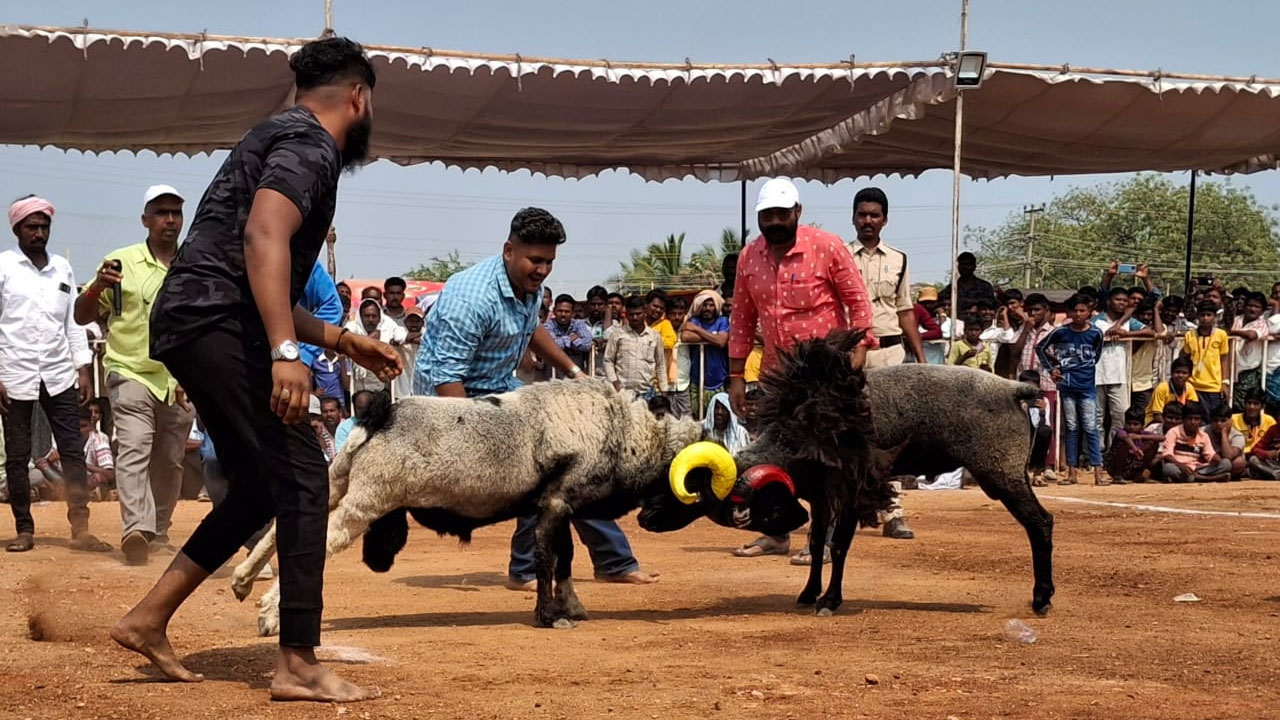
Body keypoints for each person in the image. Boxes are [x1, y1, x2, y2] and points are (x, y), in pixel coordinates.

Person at [112, 37, 401, 702]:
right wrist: (284, 352)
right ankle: (297, 662)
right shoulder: (311, 147)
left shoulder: (278, 133)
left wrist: (337, 338)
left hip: (200, 318)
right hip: (217, 323)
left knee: (259, 488)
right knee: (303, 474)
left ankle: (148, 617)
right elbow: (263, 237)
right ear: (359, 96)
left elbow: (250, 268)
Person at [413, 207, 657, 593]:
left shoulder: (530, 289)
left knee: (577, 456)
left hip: (497, 390)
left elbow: (533, 329)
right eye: (536, 260)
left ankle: (612, 562)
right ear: (509, 250)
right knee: (542, 468)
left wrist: (577, 375)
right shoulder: (470, 297)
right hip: (450, 404)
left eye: (549, 262)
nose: (543, 269)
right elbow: (446, 378)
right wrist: (473, 443)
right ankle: (527, 569)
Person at [726, 177, 882, 560]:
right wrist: (735, 376)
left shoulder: (826, 247)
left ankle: (827, 536)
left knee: (828, 456)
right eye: (767, 215)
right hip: (778, 375)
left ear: (797, 212)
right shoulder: (749, 257)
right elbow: (742, 318)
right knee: (774, 451)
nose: (775, 221)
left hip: (827, 371)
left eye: (782, 214)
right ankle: (776, 530)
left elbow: (857, 300)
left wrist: (860, 344)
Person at [74, 184, 198, 562]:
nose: (170, 220)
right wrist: (97, 287)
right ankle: (136, 530)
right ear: (145, 219)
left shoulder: (195, 263)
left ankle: (158, 531)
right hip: (129, 371)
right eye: (161, 212)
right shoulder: (120, 262)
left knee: (171, 458)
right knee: (134, 448)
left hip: (179, 379)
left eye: (176, 212)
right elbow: (82, 315)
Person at [1, 196, 108, 554]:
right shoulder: (4, 267)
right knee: (18, 455)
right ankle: (24, 529)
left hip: (59, 372)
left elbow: (73, 323)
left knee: (73, 450)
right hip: (13, 372)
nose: (39, 233)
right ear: (17, 229)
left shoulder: (62, 268)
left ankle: (80, 528)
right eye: (32, 226)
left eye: (44, 226)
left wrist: (83, 369)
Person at [848, 187, 926, 367]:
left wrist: (921, 359)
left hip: (890, 354)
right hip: (850, 352)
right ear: (853, 219)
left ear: (884, 220)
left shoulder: (899, 258)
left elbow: (904, 310)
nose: (868, 221)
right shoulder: (839, 256)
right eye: (862, 215)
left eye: (874, 215)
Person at [1036, 294, 1105, 486]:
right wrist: (1053, 369)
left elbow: (1096, 356)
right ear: (1069, 312)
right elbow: (1040, 348)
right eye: (1074, 310)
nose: (1078, 314)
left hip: (1086, 386)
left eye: (1082, 310)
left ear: (1089, 313)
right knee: (1073, 427)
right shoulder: (1060, 332)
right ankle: (1072, 472)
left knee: (1091, 427)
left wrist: (1080, 367)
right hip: (1067, 386)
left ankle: (1098, 471)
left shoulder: (1096, 333)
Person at [1091, 287, 1147, 452]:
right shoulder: (1097, 320)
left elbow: (1151, 330)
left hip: (1120, 376)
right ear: (1109, 301)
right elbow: (1096, 335)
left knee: (1121, 416)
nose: (1121, 303)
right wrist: (1112, 331)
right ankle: (1097, 453)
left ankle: (1114, 450)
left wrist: (1125, 333)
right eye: (1118, 299)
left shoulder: (1131, 322)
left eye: (1124, 300)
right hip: (1097, 375)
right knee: (1097, 418)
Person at [604, 296, 668, 398]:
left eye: (638, 314)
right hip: (623, 393)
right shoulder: (617, 334)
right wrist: (614, 382)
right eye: (631, 314)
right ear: (627, 314)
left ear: (645, 312)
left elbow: (660, 365)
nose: (635, 318)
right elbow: (608, 360)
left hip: (647, 393)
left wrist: (664, 390)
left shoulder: (654, 336)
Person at [681, 289, 730, 414]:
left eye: (711, 305)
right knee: (697, 417)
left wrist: (697, 330)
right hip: (697, 380)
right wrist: (712, 336)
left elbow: (721, 341)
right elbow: (686, 336)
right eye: (704, 305)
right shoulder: (694, 320)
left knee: (718, 417)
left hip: (719, 380)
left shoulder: (722, 321)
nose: (707, 308)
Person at [346, 297, 406, 393]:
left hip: (383, 385)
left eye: (374, 316)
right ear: (360, 317)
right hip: (360, 386)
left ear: (380, 317)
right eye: (367, 316)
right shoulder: (352, 327)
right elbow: (346, 339)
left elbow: (401, 334)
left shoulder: (388, 325)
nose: (370, 320)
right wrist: (369, 339)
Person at [1160, 403, 1230, 483]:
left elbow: (1209, 454)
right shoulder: (1173, 432)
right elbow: (1167, 455)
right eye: (1190, 419)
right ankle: (1209, 479)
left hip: (1197, 468)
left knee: (1226, 464)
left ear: (1201, 421)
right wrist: (1181, 466)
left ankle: (1194, 477)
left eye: (1196, 419)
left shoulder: (1203, 436)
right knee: (1168, 468)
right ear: (1183, 419)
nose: (1193, 422)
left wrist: (1217, 459)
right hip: (1179, 467)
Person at [1182, 301, 1230, 416]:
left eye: (1209, 315)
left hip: (1214, 386)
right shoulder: (1189, 335)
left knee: (1212, 418)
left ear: (1214, 317)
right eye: (1202, 315)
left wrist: (1225, 382)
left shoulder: (1221, 335)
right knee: (1194, 418)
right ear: (1198, 316)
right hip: (1193, 385)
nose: (1205, 318)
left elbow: (1224, 359)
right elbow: (1186, 358)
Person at [1229, 292, 1269, 408]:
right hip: (1230, 370)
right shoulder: (1236, 320)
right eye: (1250, 305)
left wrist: (1232, 332)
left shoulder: (1262, 324)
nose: (1252, 309)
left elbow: (1251, 336)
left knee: (1244, 406)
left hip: (1248, 372)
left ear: (1262, 311)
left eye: (1257, 307)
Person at [1106, 408, 1163, 484]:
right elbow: (1126, 438)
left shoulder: (1142, 433)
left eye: (1135, 424)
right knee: (1123, 444)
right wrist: (1135, 449)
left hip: (1133, 465)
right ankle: (1117, 476)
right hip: (1115, 466)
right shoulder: (1121, 432)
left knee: (1153, 443)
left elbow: (1162, 438)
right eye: (1129, 423)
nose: (1131, 427)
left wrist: (1140, 437)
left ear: (1142, 425)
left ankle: (1138, 474)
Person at [1019, 370, 1053, 486]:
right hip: (1020, 436)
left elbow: (1045, 423)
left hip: (1036, 437)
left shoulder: (1043, 401)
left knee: (1045, 431)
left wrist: (1042, 411)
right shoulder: (1015, 401)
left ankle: (1037, 473)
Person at [544, 293, 594, 373]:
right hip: (554, 374)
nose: (563, 314)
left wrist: (562, 342)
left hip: (575, 373)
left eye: (567, 312)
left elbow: (587, 345)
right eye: (560, 311)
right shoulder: (548, 325)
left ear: (572, 312)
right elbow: (551, 345)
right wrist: (571, 338)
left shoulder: (579, 324)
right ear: (554, 311)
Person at [1146, 356, 1199, 426]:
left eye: (1184, 373)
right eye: (1177, 372)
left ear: (1190, 375)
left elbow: (1193, 411)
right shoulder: (1162, 388)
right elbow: (1157, 416)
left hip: (1178, 423)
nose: (1180, 375)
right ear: (1171, 373)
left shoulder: (1189, 388)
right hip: (1156, 423)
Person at [1207, 403, 1246, 481]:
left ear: (1230, 421)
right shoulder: (1203, 432)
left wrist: (1224, 434)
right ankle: (1215, 477)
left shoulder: (1237, 436)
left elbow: (1228, 456)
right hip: (1210, 463)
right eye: (1215, 421)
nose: (1219, 424)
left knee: (1239, 462)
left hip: (1227, 464)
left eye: (1223, 420)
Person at [392, 306, 424, 398]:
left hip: (420, 386)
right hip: (402, 385)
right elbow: (398, 338)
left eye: (417, 321)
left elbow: (425, 340)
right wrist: (414, 337)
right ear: (405, 322)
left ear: (422, 322)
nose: (414, 324)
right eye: (411, 321)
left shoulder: (427, 331)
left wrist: (407, 338)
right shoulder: (399, 330)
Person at [585, 285, 614, 377]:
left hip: (605, 376)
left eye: (600, 304)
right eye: (593, 304)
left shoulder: (615, 325)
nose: (596, 308)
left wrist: (608, 315)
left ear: (606, 305)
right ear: (587, 304)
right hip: (586, 375)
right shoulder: (580, 325)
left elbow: (609, 337)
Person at [914, 287, 944, 364]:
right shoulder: (916, 309)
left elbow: (939, 331)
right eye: (924, 302)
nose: (927, 305)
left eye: (931, 302)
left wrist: (917, 336)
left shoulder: (919, 310)